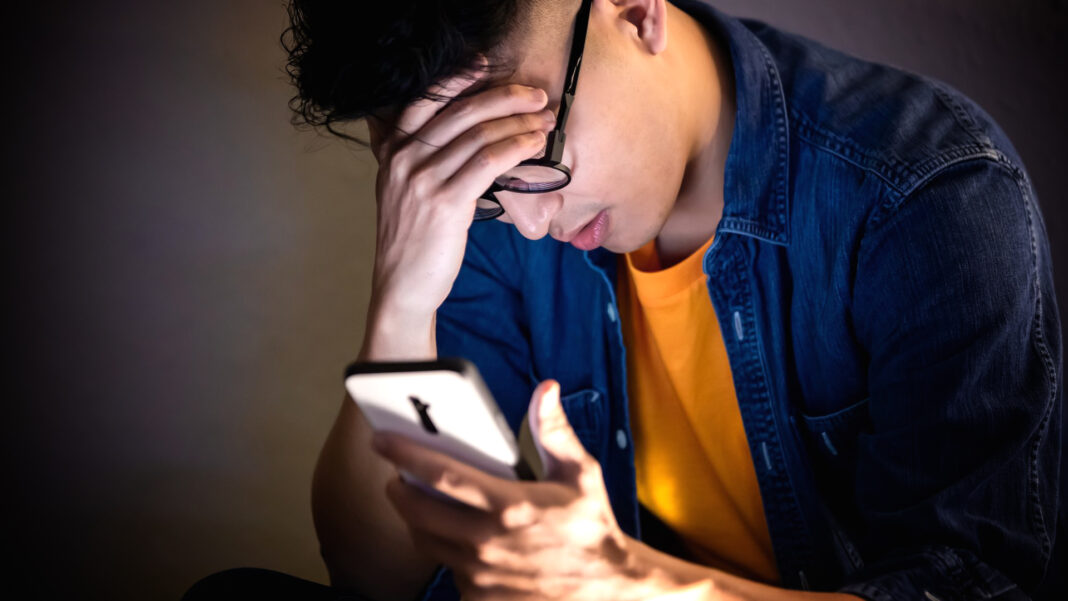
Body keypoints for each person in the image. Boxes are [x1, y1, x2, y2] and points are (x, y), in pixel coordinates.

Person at [185, 0, 1063, 599]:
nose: (528, 224)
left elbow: (972, 584)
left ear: (637, 11)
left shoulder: (926, 191)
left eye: (533, 152)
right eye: (481, 184)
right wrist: (399, 306)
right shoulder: (498, 223)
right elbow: (381, 575)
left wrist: (628, 582)